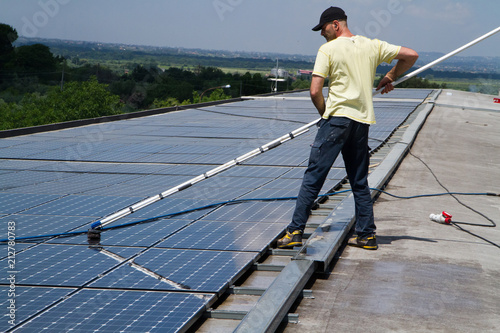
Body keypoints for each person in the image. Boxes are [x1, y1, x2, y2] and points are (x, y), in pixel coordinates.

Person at [277, 6, 418, 250]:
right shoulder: (372, 45)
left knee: (313, 177)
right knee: (359, 180)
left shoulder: (329, 49)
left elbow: (314, 90)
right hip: (361, 122)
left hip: (337, 120)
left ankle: (295, 231)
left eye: (322, 28)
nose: (321, 34)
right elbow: (411, 55)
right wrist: (391, 75)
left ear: (335, 24)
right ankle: (366, 235)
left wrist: (325, 115)